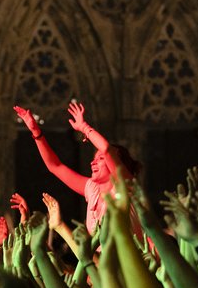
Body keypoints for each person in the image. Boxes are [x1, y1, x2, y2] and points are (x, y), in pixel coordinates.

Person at [14, 101, 142, 235]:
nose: (93, 163)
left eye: (100, 159)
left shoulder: (126, 185)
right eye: (94, 159)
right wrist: (36, 132)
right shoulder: (92, 189)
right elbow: (55, 166)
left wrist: (84, 127)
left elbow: (106, 149)